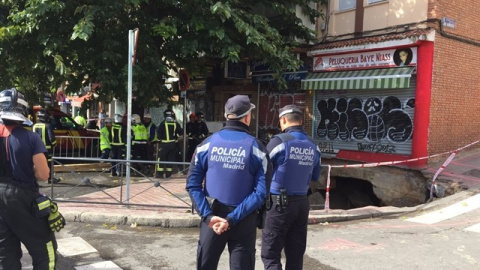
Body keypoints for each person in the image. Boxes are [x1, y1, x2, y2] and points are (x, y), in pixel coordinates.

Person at [186, 95, 270, 270]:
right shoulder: (257, 148)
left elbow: (193, 184)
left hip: (212, 218)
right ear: (248, 117)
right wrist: (232, 219)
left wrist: (207, 216)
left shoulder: (206, 145)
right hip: (244, 219)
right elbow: (261, 193)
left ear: (226, 115)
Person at [0, 88, 61, 269]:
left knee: (5, 254)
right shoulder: (30, 137)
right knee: (46, 250)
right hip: (24, 197)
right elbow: (43, 174)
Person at [261, 105, 322, 270]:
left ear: (283, 120)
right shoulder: (313, 145)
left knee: (270, 254)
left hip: (279, 205)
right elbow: (316, 176)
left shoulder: (278, 142)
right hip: (302, 204)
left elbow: (261, 170)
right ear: (301, 121)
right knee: (295, 255)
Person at [33, 109, 60, 184]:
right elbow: (51, 138)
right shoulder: (48, 126)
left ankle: (34, 180)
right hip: (47, 150)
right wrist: (55, 144)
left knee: (36, 164)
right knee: (49, 164)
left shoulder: (34, 126)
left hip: (36, 150)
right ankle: (50, 179)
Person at [155, 110, 183, 178]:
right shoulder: (175, 123)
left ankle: (160, 174)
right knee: (170, 159)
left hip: (164, 144)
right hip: (173, 144)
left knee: (161, 159)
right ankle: (168, 174)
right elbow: (180, 132)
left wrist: (158, 141)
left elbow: (159, 133)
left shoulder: (163, 123)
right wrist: (177, 139)